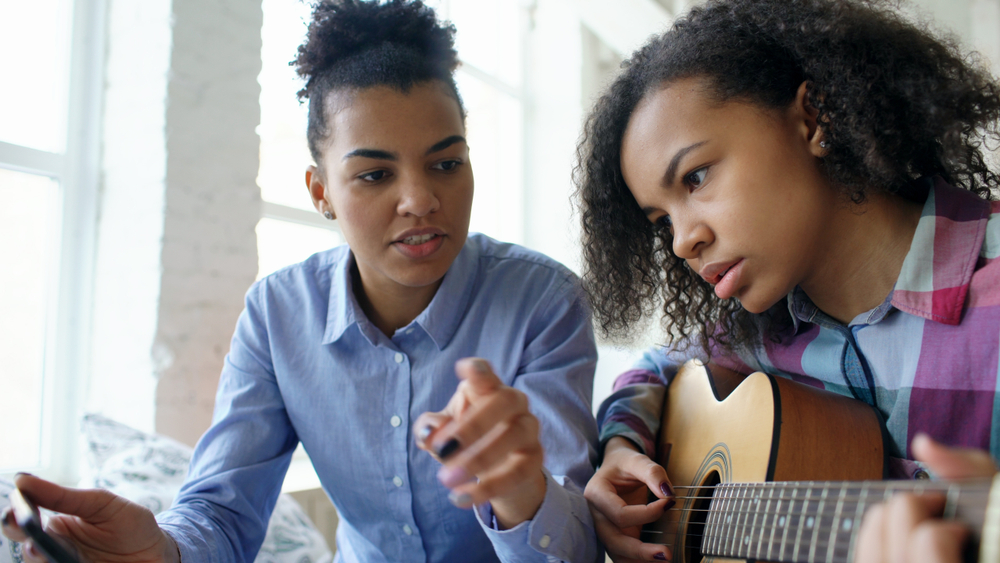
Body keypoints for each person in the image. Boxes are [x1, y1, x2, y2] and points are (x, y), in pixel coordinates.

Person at [1, 1, 602, 562]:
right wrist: (163, 550)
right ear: (321, 193)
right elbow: (222, 511)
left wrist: (524, 492)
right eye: (373, 175)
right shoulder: (276, 314)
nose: (420, 200)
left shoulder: (543, 303)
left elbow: (578, 543)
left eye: (447, 164)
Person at [573, 0, 1000, 561]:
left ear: (813, 117)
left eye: (696, 176)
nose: (681, 242)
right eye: (662, 221)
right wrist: (622, 446)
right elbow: (656, 368)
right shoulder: (753, 334)